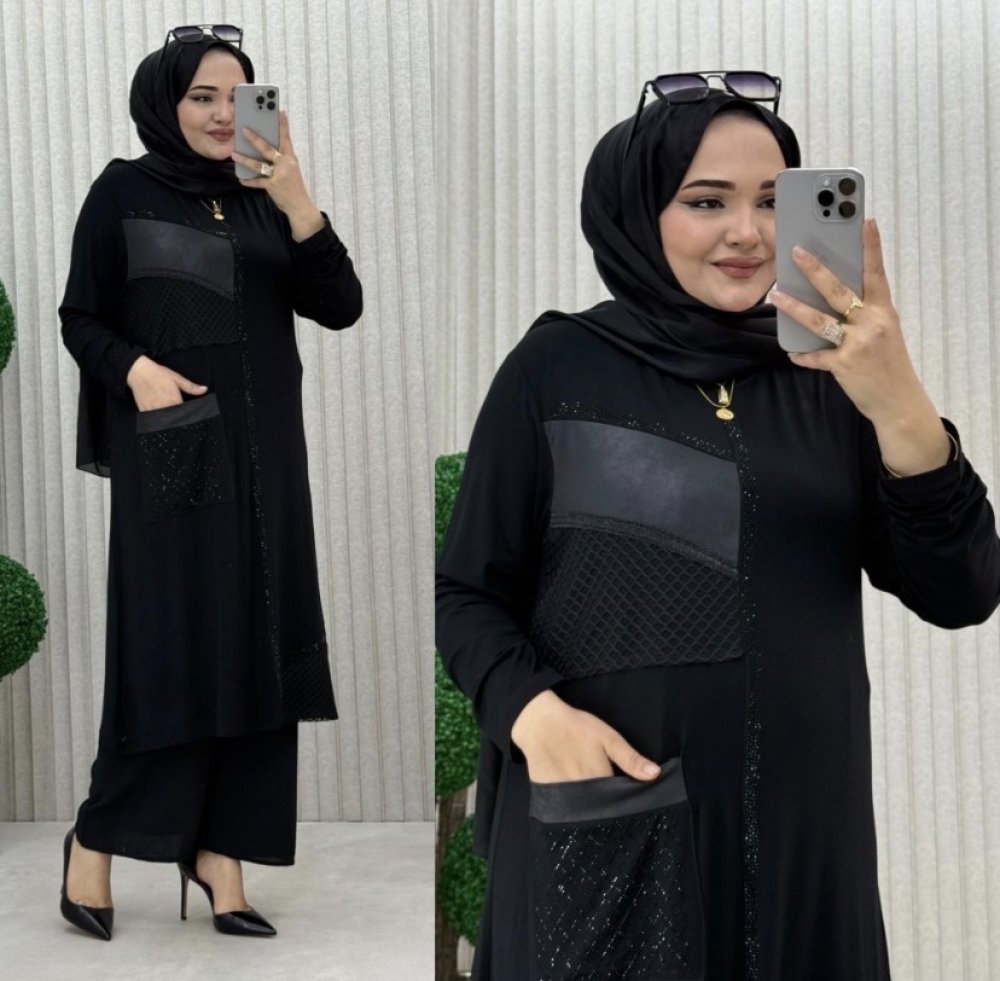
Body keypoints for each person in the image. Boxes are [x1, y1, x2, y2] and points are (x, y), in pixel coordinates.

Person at [436, 76, 1000, 980]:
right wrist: (532, 715)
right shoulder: (555, 369)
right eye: (707, 201)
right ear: (638, 213)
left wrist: (900, 401)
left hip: (805, 843)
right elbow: (466, 591)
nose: (749, 232)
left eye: (774, 201)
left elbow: (962, 590)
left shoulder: (835, 380)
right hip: (612, 821)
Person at [58, 25, 362, 940]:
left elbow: (340, 307)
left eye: (240, 96)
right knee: (172, 652)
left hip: (270, 465)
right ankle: (94, 840)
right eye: (203, 96)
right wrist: (134, 370)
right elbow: (81, 315)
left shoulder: (267, 198)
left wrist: (297, 197)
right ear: (166, 102)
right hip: (174, 458)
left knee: (260, 649)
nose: (225, 114)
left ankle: (221, 853)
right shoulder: (123, 191)